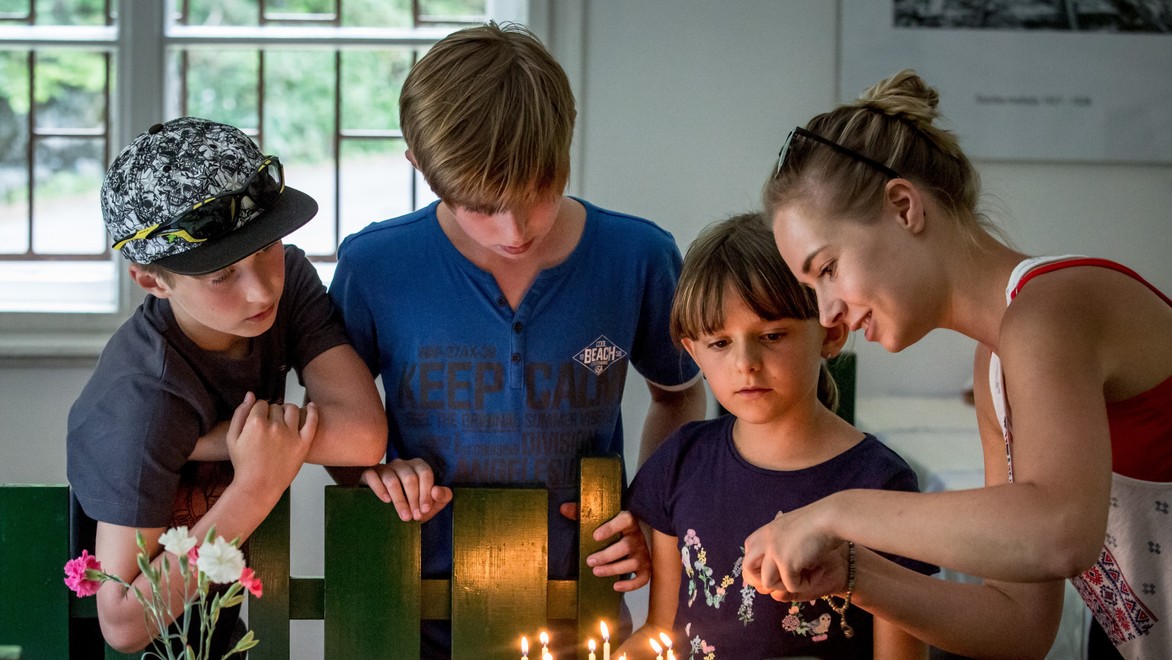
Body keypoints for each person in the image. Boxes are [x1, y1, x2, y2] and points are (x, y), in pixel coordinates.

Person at [743, 69, 1172, 659]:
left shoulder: (1049, 312)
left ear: (903, 207)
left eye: (829, 269)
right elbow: (1020, 623)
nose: (828, 312)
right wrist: (854, 572)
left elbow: (1063, 530)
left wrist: (837, 512)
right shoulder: (993, 366)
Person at [327, 20, 707, 657]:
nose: (515, 229)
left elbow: (678, 392)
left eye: (540, 192)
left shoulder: (638, 257)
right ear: (420, 166)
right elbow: (335, 420)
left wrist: (649, 508)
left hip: (584, 609)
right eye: (482, 205)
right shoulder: (374, 266)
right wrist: (370, 473)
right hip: (410, 612)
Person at [67, 117, 387, 655]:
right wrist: (256, 485)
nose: (261, 290)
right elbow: (122, 621)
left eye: (266, 247)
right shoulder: (143, 400)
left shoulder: (289, 285)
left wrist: (212, 441)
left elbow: (362, 436)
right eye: (220, 275)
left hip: (221, 626)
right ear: (150, 278)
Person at [615, 212, 934, 660]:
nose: (745, 362)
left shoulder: (881, 482)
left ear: (831, 332)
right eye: (720, 343)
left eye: (771, 335)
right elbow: (658, 630)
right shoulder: (681, 463)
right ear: (693, 353)